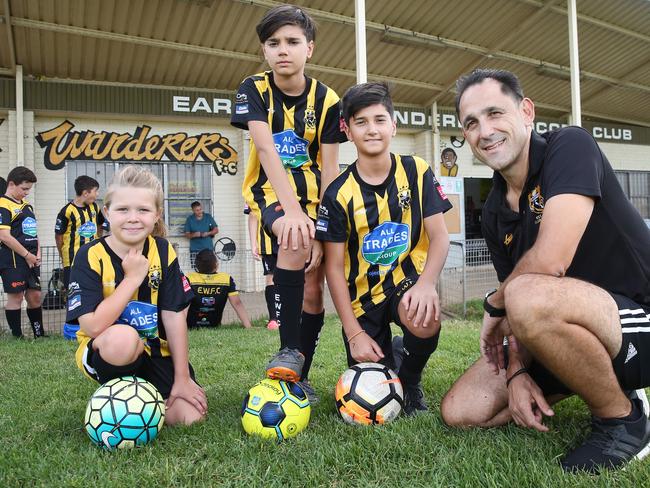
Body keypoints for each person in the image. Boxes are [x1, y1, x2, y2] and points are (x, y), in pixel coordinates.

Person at [440, 69, 650, 473]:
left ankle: (623, 419)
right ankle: (587, 374)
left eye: (494, 113)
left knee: (524, 295)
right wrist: (517, 371)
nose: (484, 131)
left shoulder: (569, 146)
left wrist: (494, 305)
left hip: (637, 315)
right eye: (471, 123)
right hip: (568, 327)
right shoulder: (494, 212)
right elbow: (515, 300)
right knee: (463, 410)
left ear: (526, 112)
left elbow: (551, 259)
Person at [230, 4, 347, 400]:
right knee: (294, 236)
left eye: (293, 42)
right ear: (264, 51)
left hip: (316, 198)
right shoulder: (253, 89)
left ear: (309, 49)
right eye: (273, 43)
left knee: (314, 291)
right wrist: (294, 212)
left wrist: (323, 225)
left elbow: (330, 168)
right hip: (271, 193)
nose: (283, 50)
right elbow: (265, 148)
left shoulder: (328, 99)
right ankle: (287, 348)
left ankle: (299, 377)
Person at [317, 82, 452, 415]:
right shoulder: (337, 193)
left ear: (393, 124)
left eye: (379, 119)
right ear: (347, 130)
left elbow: (440, 236)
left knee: (424, 318)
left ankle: (411, 381)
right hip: (362, 299)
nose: (372, 129)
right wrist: (353, 333)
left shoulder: (417, 170)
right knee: (375, 375)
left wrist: (426, 284)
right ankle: (389, 354)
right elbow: (332, 268)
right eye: (361, 122)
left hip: (406, 283)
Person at [66, 166, 206, 426]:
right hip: (109, 348)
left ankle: (150, 399)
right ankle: (115, 398)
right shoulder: (89, 255)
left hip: (154, 350)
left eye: (143, 210)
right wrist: (131, 279)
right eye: (123, 210)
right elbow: (93, 325)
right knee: (124, 338)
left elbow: (174, 316)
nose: (133, 218)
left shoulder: (163, 251)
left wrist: (182, 377)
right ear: (106, 213)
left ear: (156, 215)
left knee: (190, 418)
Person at [0, 166, 44, 338]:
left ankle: (39, 334)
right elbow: (4, 236)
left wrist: (37, 253)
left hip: (32, 259)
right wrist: (27, 255)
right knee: (16, 297)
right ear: (11, 184)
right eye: (24, 189)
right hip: (12, 259)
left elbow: (33, 232)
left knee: (35, 295)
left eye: (29, 189)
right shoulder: (3, 204)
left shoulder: (28, 206)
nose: (27, 193)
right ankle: (17, 336)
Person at [55, 175, 104, 288]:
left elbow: (101, 223)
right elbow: (58, 236)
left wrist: (98, 239)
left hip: (93, 256)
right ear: (85, 193)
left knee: (93, 288)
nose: (97, 194)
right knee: (73, 291)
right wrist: (63, 255)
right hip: (72, 258)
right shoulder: (66, 211)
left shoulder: (95, 207)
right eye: (95, 191)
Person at [186, 249, 252, 329]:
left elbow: (182, 304)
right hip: (214, 325)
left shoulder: (188, 278)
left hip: (191, 325)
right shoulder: (226, 279)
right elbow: (237, 303)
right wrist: (248, 327)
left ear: (196, 265)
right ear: (216, 265)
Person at [245, 203, 279, 330]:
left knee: (291, 276)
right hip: (268, 244)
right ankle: (274, 319)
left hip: (288, 239)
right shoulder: (253, 186)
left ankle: (287, 316)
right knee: (271, 278)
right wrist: (253, 243)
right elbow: (253, 215)